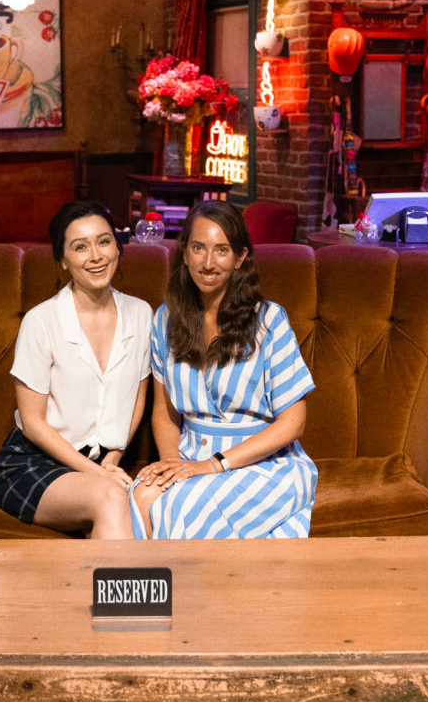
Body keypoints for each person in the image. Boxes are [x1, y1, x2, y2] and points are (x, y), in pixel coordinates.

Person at [130, 199, 317, 539]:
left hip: (264, 463)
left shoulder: (269, 320)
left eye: (222, 250)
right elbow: (164, 412)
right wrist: (173, 464)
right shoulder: (165, 321)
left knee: (180, 506)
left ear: (240, 258)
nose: (209, 262)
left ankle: (188, 591)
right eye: (198, 248)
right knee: (139, 494)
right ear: (184, 253)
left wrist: (213, 465)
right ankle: (156, 591)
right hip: (189, 454)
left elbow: (294, 422)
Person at [0, 201, 152, 539]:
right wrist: (97, 474)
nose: (95, 256)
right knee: (111, 496)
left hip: (105, 461)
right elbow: (32, 423)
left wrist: (112, 462)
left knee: (123, 498)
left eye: (104, 241)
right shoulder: (41, 321)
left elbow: (137, 400)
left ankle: (90, 591)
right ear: (63, 260)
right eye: (80, 247)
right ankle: (127, 594)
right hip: (35, 460)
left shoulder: (141, 314)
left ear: (118, 248)